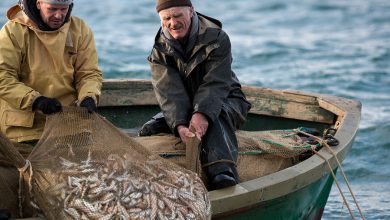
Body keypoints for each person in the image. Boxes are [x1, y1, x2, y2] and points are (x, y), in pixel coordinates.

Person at [0, 0, 102, 217]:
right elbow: (3, 78)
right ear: (38, 3)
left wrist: (89, 96)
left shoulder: (79, 29)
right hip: (24, 129)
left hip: (67, 126)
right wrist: (35, 101)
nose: (58, 15)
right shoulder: (13, 31)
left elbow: (89, 73)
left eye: (63, 9)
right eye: (52, 9)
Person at [141, 0, 251, 190]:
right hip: (188, 105)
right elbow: (169, 92)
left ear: (191, 11)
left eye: (177, 16)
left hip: (228, 100)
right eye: (166, 18)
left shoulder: (218, 38)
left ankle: (222, 170)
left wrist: (201, 115)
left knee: (215, 115)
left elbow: (216, 83)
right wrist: (180, 124)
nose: (173, 23)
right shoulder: (159, 50)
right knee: (151, 128)